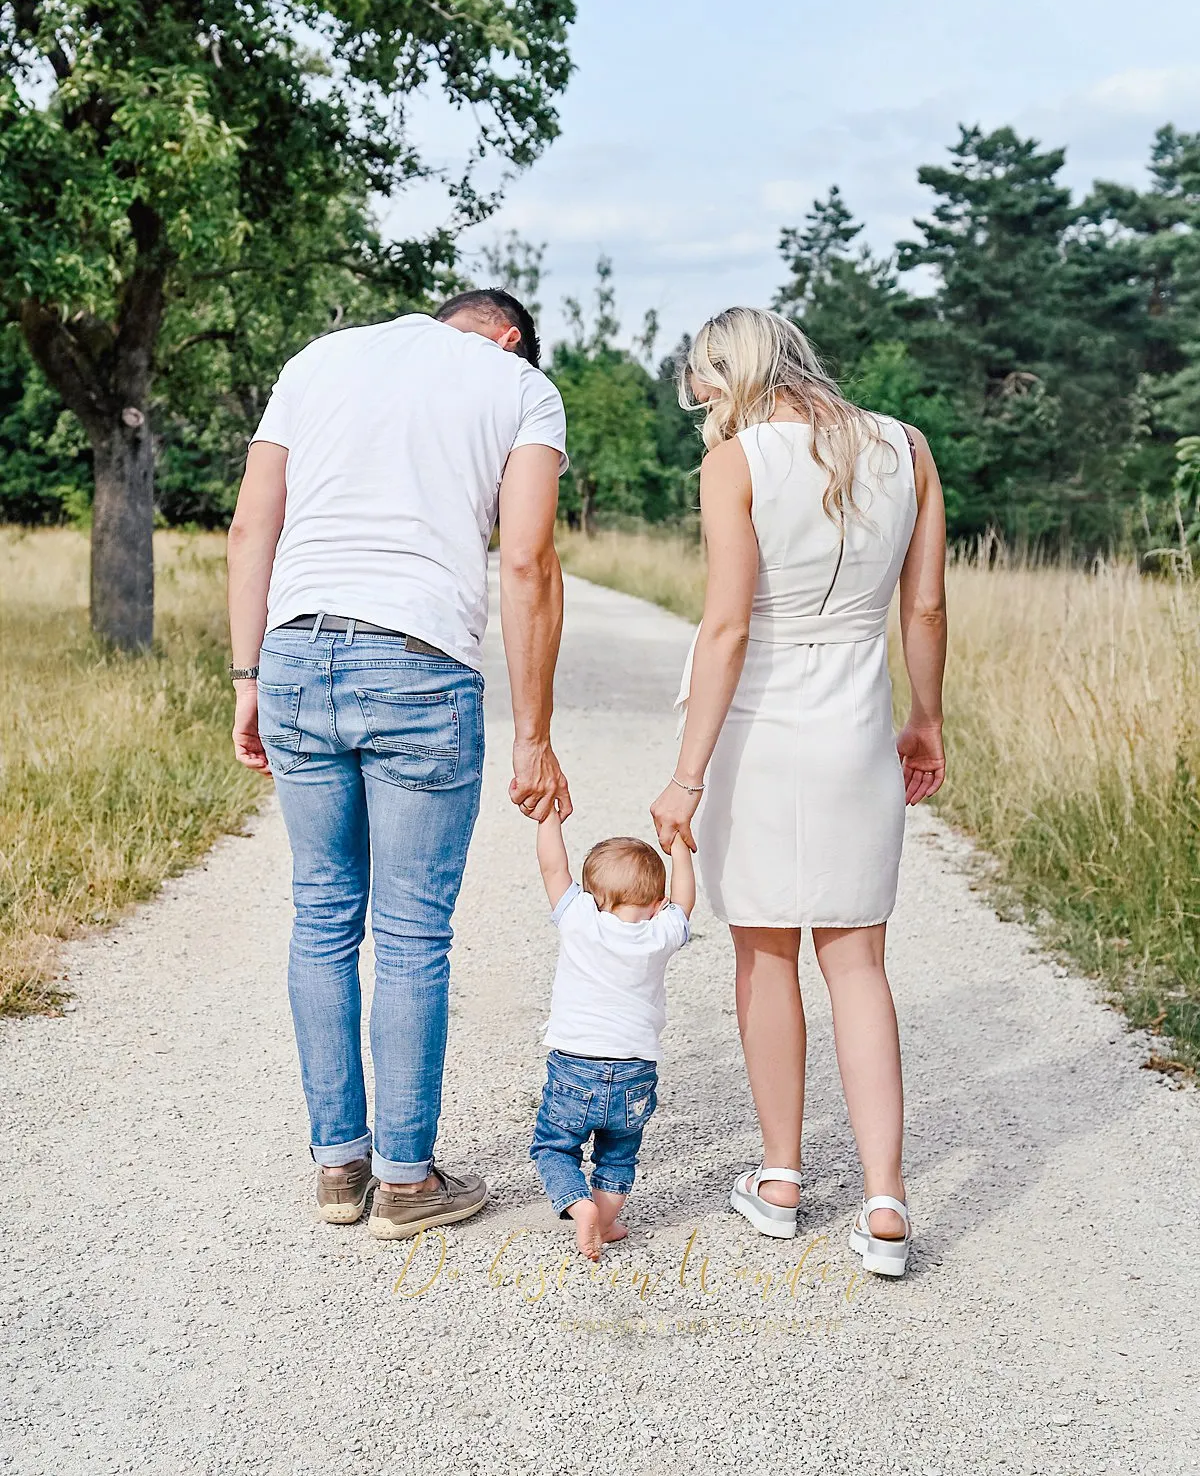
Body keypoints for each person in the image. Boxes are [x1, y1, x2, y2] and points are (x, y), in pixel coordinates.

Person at [226, 289, 572, 1241]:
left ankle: (339, 1169)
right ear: (507, 335)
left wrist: (245, 676)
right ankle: (409, 1183)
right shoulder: (521, 386)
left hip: (295, 649)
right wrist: (534, 732)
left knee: (321, 915)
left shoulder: (319, 358)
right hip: (419, 657)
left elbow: (253, 527)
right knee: (412, 931)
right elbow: (529, 562)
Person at [650, 307, 947, 1278]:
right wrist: (926, 718)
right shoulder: (906, 447)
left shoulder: (736, 465)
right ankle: (887, 1199)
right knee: (859, 963)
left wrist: (686, 778)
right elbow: (927, 602)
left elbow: (728, 628)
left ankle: (780, 1180)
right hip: (858, 726)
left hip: (761, 733)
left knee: (766, 952)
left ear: (728, 372)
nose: (695, 397)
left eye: (699, 377)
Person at [529, 809, 695, 1261]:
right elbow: (685, 901)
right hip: (635, 1073)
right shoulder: (660, 933)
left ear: (591, 893)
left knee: (554, 1146)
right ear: (657, 901)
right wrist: (678, 843)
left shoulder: (580, 919)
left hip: (575, 1068)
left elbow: (552, 867)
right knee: (617, 1157)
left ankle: (577, 1204)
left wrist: (549, 820)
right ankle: (604, 1221)